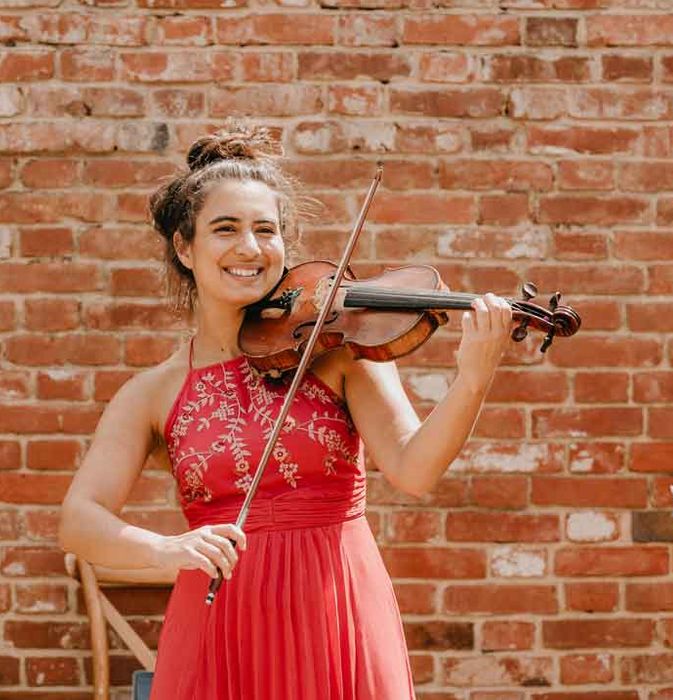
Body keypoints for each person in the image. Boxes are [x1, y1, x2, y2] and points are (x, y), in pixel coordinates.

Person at [58, 122, 513, 700]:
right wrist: (166, 549)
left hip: (337, 610)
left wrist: (473, 378)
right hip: (219, 626)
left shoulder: (337, 350)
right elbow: (80, 517)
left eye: (265, 230)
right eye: (226, 229)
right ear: (184, 246)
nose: (250, 248)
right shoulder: (152, 392)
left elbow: (413, 469)